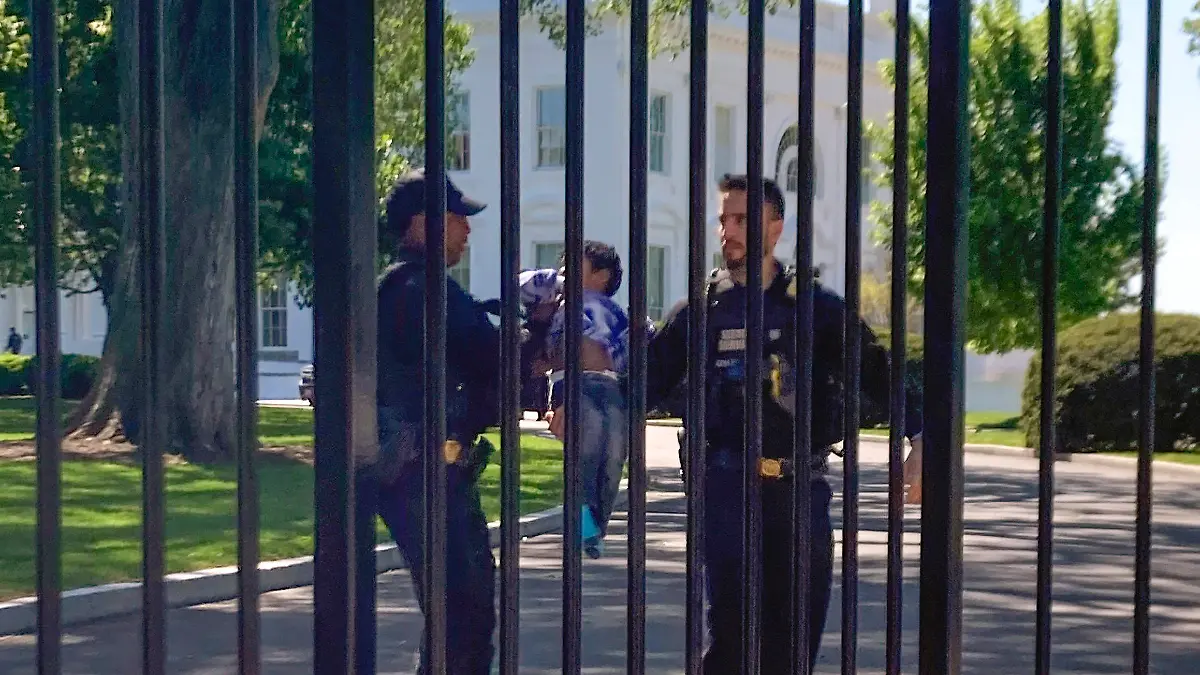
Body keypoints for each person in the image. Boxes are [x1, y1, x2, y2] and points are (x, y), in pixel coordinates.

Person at [639, 173, 925, 673]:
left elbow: (880, 375)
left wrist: (922, 437)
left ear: (775, 227)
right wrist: (582, 402)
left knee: (793, 644)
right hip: (726, 490)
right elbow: (642, 381)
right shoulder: (702, 311)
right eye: (723, 218)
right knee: (729, 639)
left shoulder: (815, 309)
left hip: (799, 494)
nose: (727, 230)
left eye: (741, 219)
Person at [355, 169, 501, 675]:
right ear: (423, 222)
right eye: (457, 217)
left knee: (456, 610)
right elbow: (492, 359)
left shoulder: (397, 288)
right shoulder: (425, 289)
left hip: (415, 468)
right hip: (427, 471)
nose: (466, 229)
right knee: (464, 610)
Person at [521, 241, 632, 558]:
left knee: (612, 457)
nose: (565, 272)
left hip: (610, 386)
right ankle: (582, 530)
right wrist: (554, 282)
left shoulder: (612, 312)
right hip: (572, 384)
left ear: (601, 275)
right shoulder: (560, 304)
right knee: (587, 448)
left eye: (575, 266)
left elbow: (635, 349)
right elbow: (519, 285)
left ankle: (596, 527)